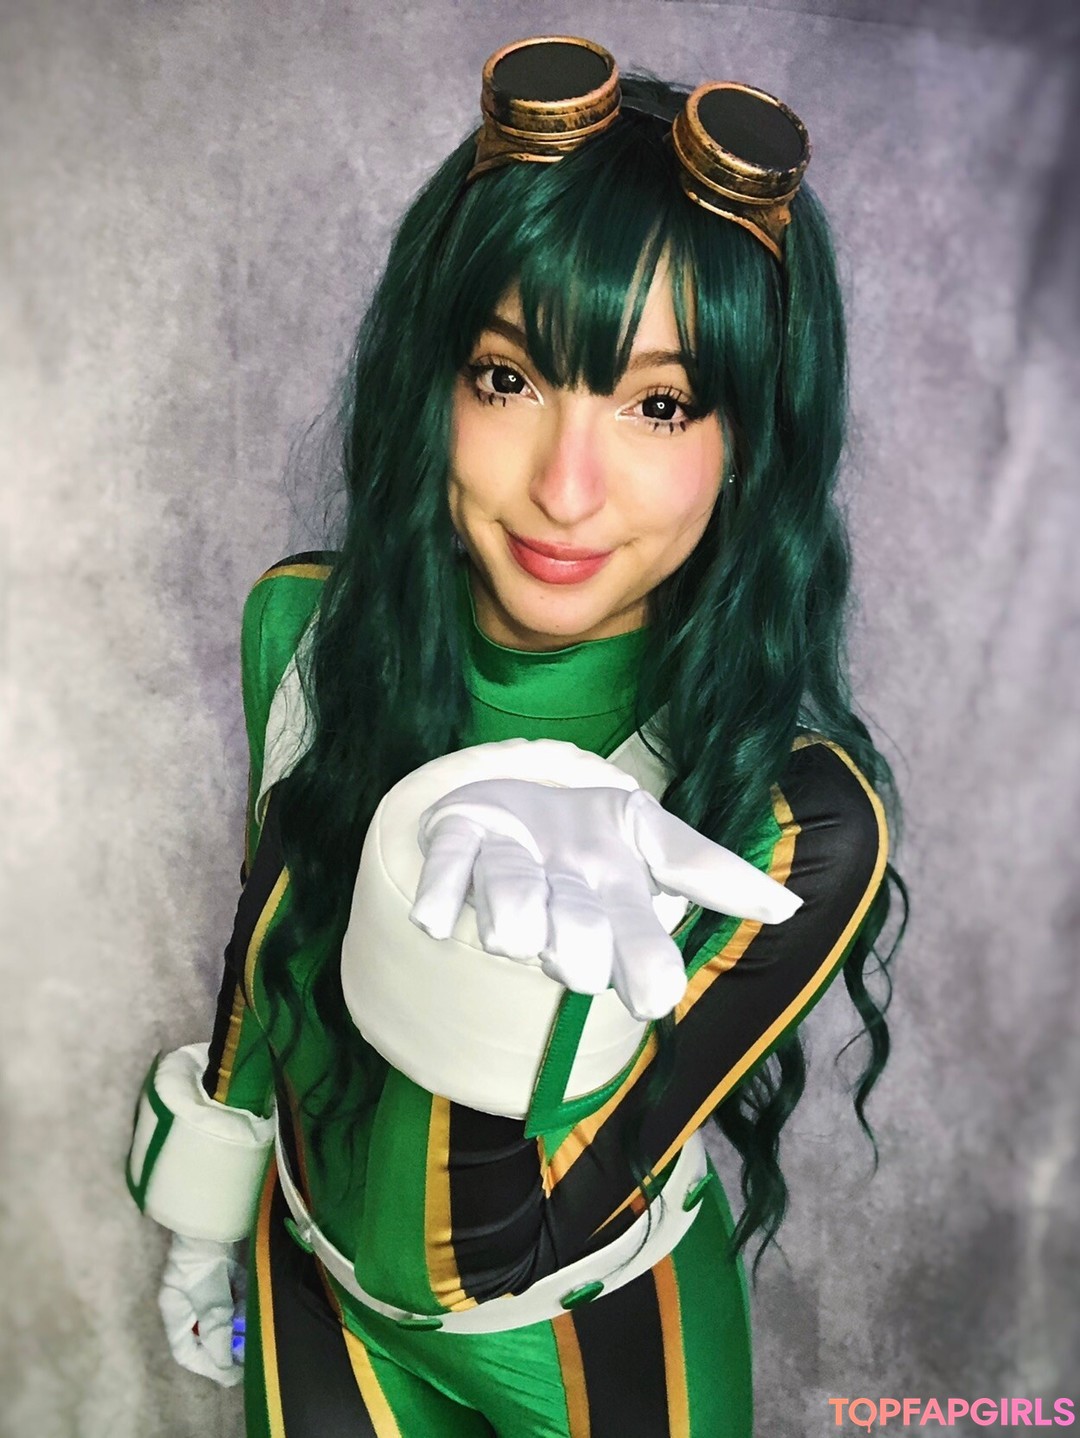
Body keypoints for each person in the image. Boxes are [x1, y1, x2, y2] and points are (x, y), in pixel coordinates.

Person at [126, 36, 907, 1436]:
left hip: (585, 1344)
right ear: (430, 379)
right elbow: (273, 943)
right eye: (508, 377)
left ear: (750, 439)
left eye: (658, 404)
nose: (566, 485)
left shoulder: (795, 817)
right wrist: (207, 1204)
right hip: (308, 1293)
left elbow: (497, 1243)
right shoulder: (307, 632)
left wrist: (481, 923)